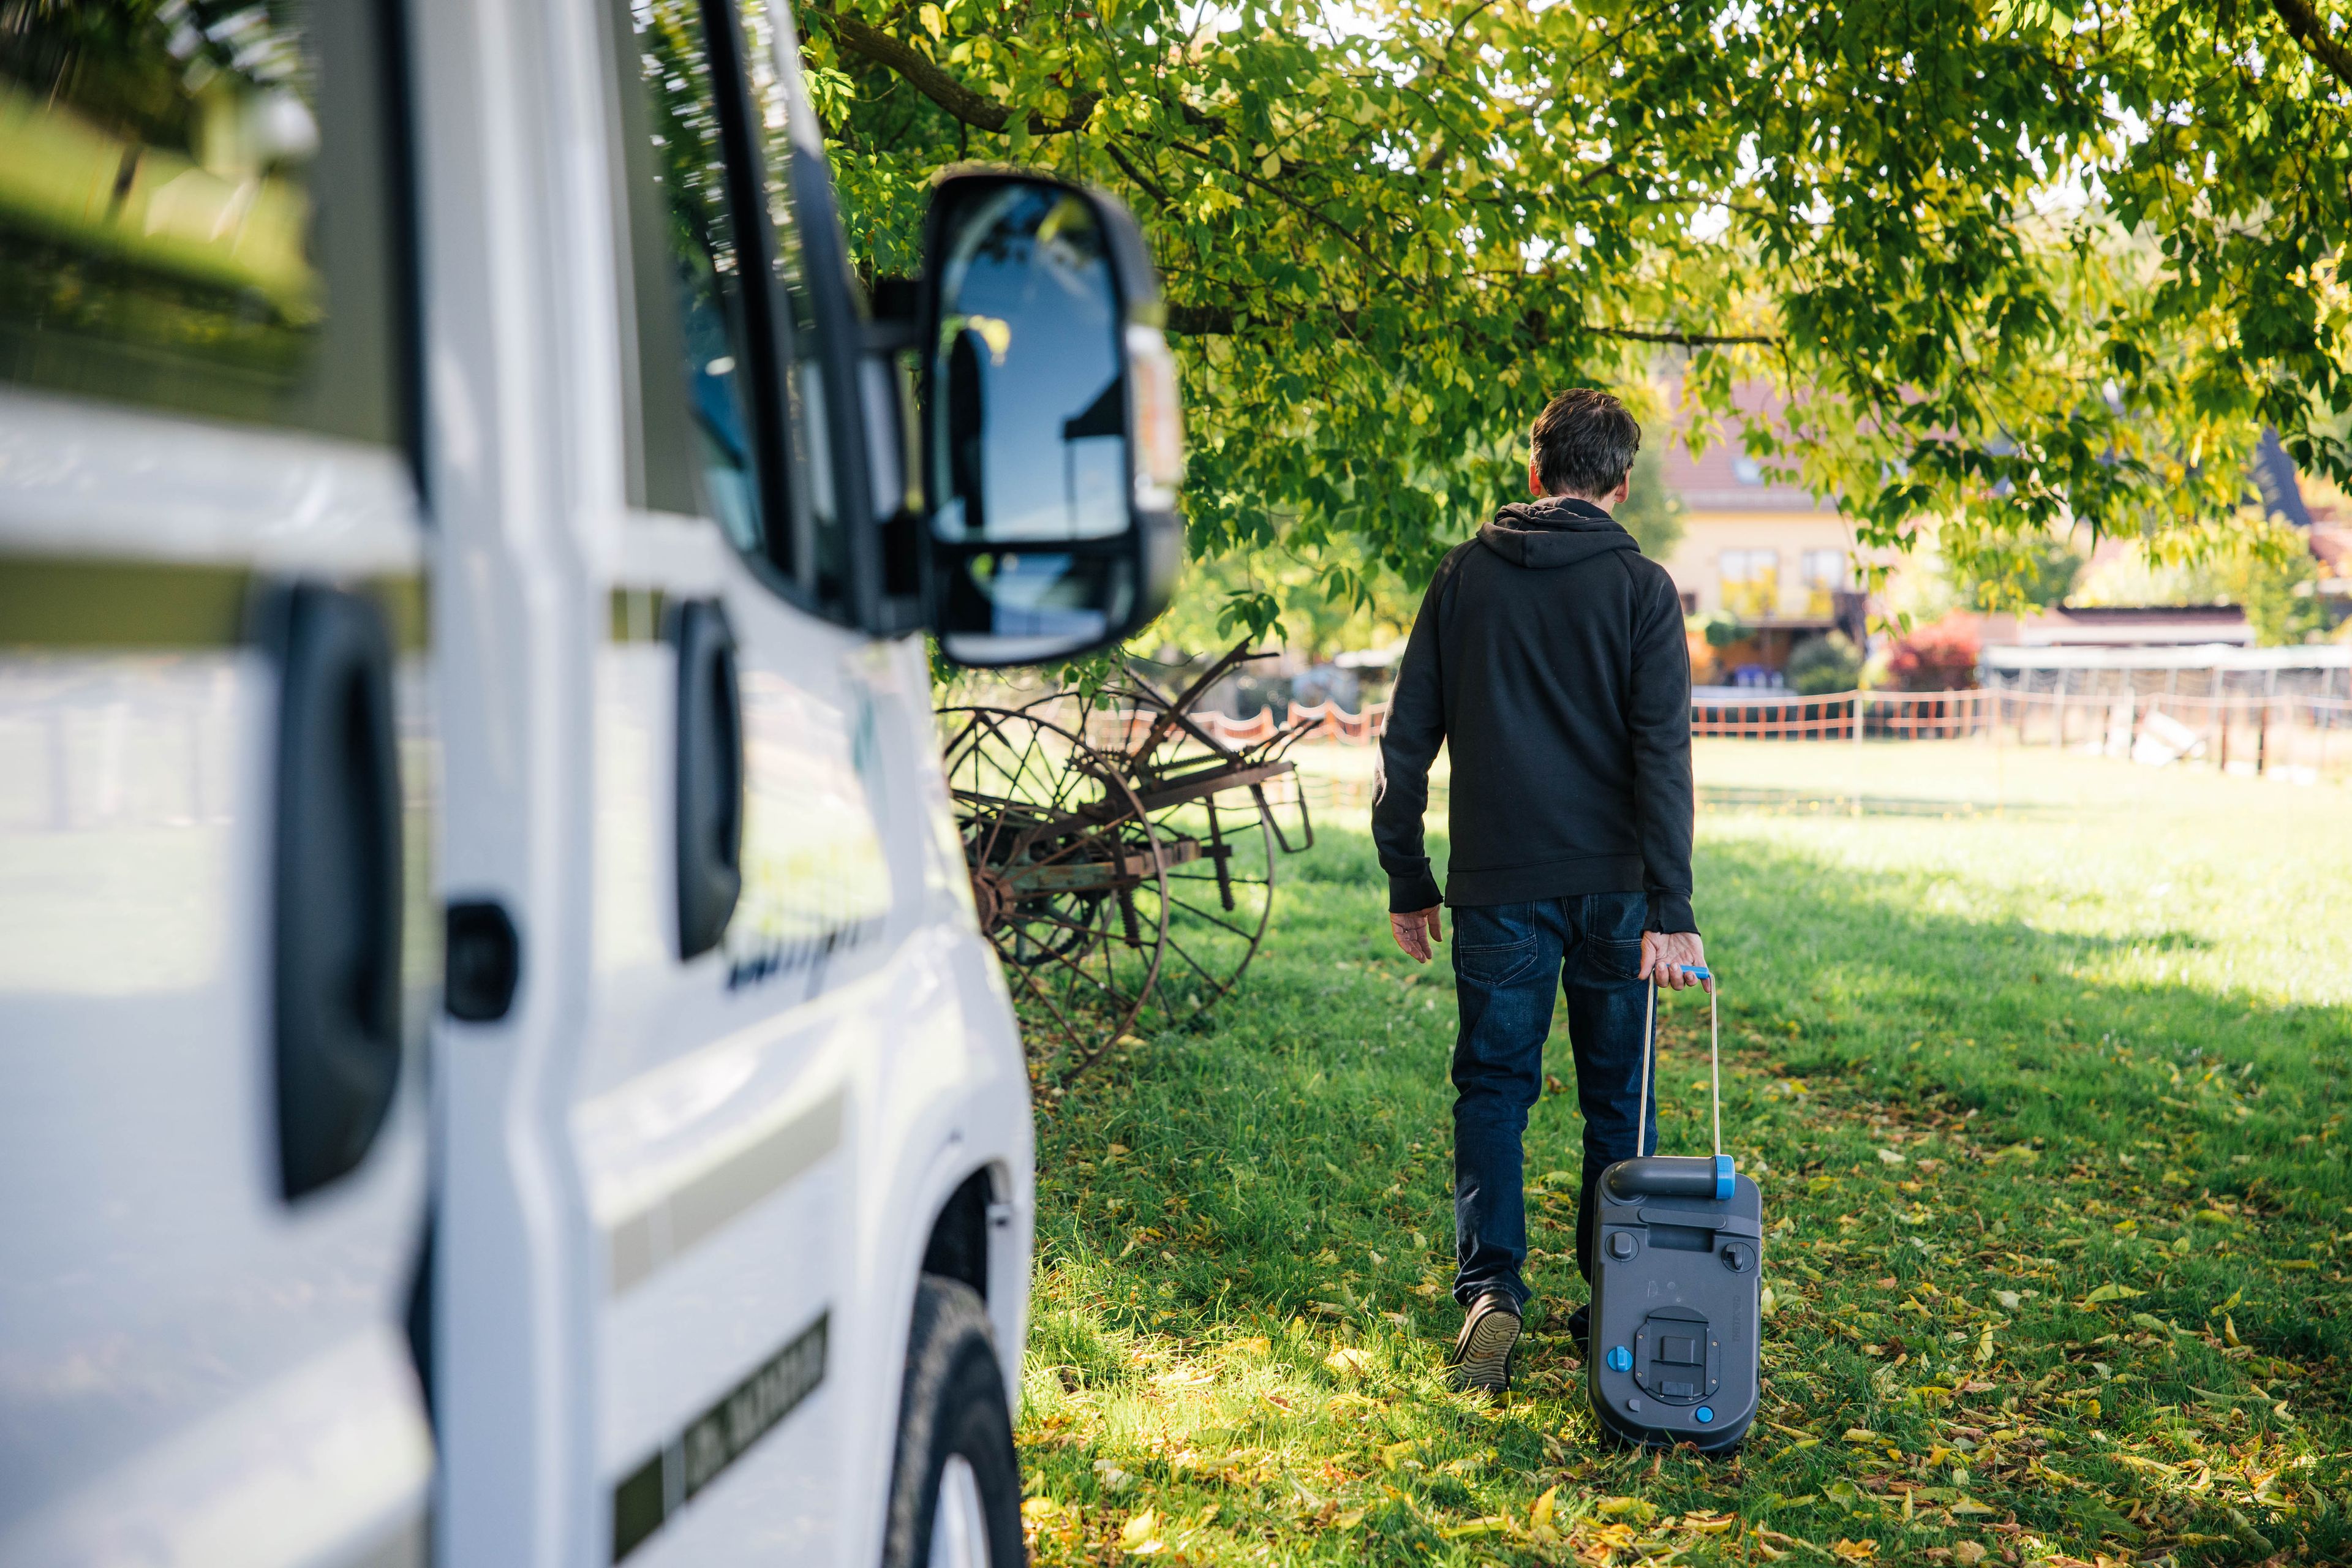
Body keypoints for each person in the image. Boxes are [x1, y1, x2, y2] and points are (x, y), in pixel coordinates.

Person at [1372, 388, 1711, 1393]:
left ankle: (1491, 1292)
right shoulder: (1643, 590)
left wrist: (1408, 877)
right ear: (1619, 482)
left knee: (1493, 1089)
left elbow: (1404, 746)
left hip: (1496, 889)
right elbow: (1664, 756)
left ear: (1534, 472)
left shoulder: (1463, 579)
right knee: (1620, 1100)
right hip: (1616, 892)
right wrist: (1672, 911)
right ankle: (1615, 1290)